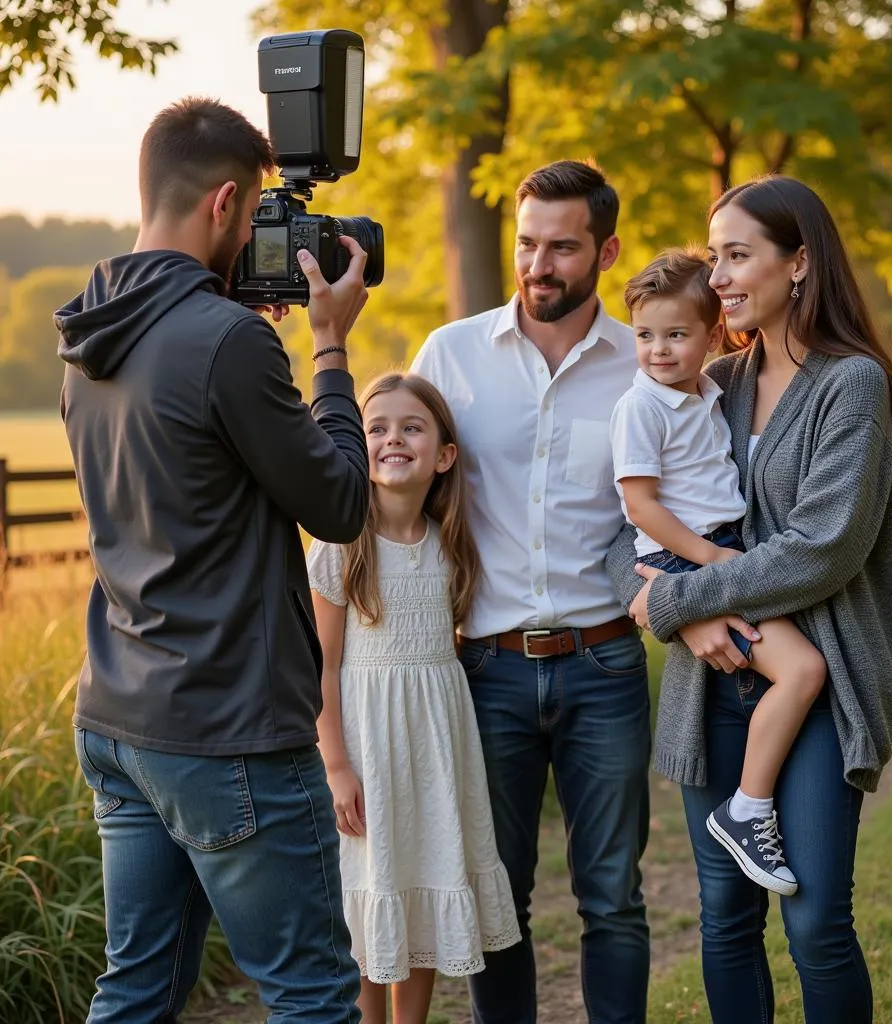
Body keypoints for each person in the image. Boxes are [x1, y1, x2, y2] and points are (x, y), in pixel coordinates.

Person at [56, 97, 371, 1023]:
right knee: (312, 995)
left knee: (138, 990)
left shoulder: (87, 330)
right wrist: (330, 348)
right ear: (227, 201)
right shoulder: (231, 341)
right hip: (230, 727)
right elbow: (341, 505)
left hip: (118, 714)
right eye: (261, 210)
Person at [612, 175, 892, 1024]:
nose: (716, 276)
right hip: (711, 686)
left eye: (737, 255)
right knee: (725, 920)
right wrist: (688, 609)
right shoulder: (707, 380)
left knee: (818, 919)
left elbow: (821, 548)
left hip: (821, 681)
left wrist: (684, 600)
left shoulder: (849, 385)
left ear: (798, 263)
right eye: (712, 256)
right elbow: (626, 522)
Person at [411, 159, 651, 1024]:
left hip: (607, 666)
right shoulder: (451, 352)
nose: (537, 265)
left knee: (614, 898)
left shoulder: (642, 362)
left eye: (561, 248)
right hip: (487, 672)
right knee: (496, 900)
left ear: (607, 250)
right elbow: (403, 487)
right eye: (525, 244)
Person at [610, 247, 827, 897]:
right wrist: (708, 565)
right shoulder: (641, 407)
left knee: (796, 670)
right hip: (685, 555)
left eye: (676, 335)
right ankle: (748, 807)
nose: (658, 351)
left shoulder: (710, 388)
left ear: (713, 336)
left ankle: (751, 804)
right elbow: (638, 505)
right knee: (804, 669)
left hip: (716, 546)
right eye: (645, 336)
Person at [306, 372, 521, 1024]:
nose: (392, 438)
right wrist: (336, 765)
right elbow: (322, 665)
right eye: (377, 427)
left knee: (428, 874)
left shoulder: (449, 544)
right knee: (375, 886)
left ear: (444, 455)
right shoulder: (342, 544)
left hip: (435, 746)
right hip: (367, 742)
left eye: (411, 427)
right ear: (357, 445)